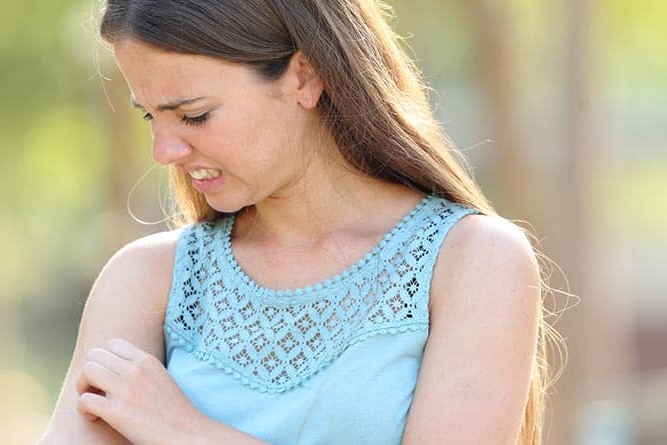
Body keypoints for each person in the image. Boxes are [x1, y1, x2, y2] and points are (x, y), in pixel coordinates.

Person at [39, 1, 561, 444]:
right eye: (151, 116)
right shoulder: (146, 280)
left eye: (193, 115)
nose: (164, 150)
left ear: (304, 78)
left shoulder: (472, 262)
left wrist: (186, 431)